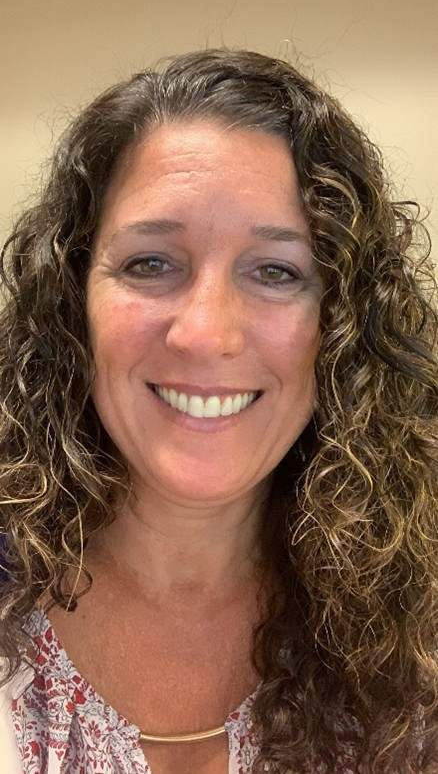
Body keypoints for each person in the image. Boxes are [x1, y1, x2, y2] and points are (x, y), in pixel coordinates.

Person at [0, 48, 436, 774]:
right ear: (72, 300)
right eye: (150, 263)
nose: (206, 333)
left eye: (276, 272)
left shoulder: (419, 626)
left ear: (342, 326)